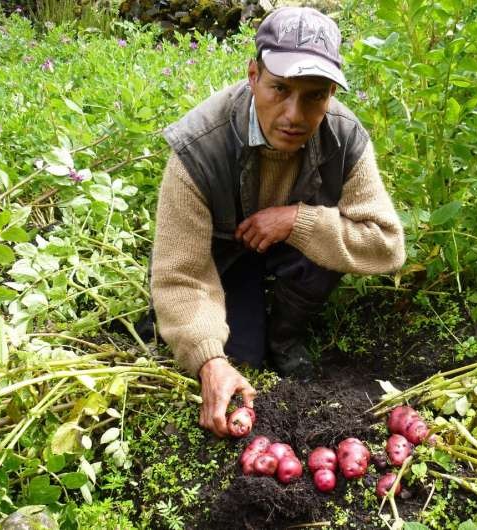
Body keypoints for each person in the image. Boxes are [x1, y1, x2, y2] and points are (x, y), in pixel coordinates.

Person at [150, 6, 405, 437]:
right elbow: (180, 274)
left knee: (326, 244)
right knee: (237, 358)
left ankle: (285, 336)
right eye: (280, 89)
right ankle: (244, 326)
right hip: (222, 261)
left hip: (290, 253)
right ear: (253, 75)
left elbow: (386, 245)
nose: (294, 115)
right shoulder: (199, 147)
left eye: (314, 96)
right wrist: (209, 359)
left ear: (330, 94)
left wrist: (300, 222)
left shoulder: (343, 136)